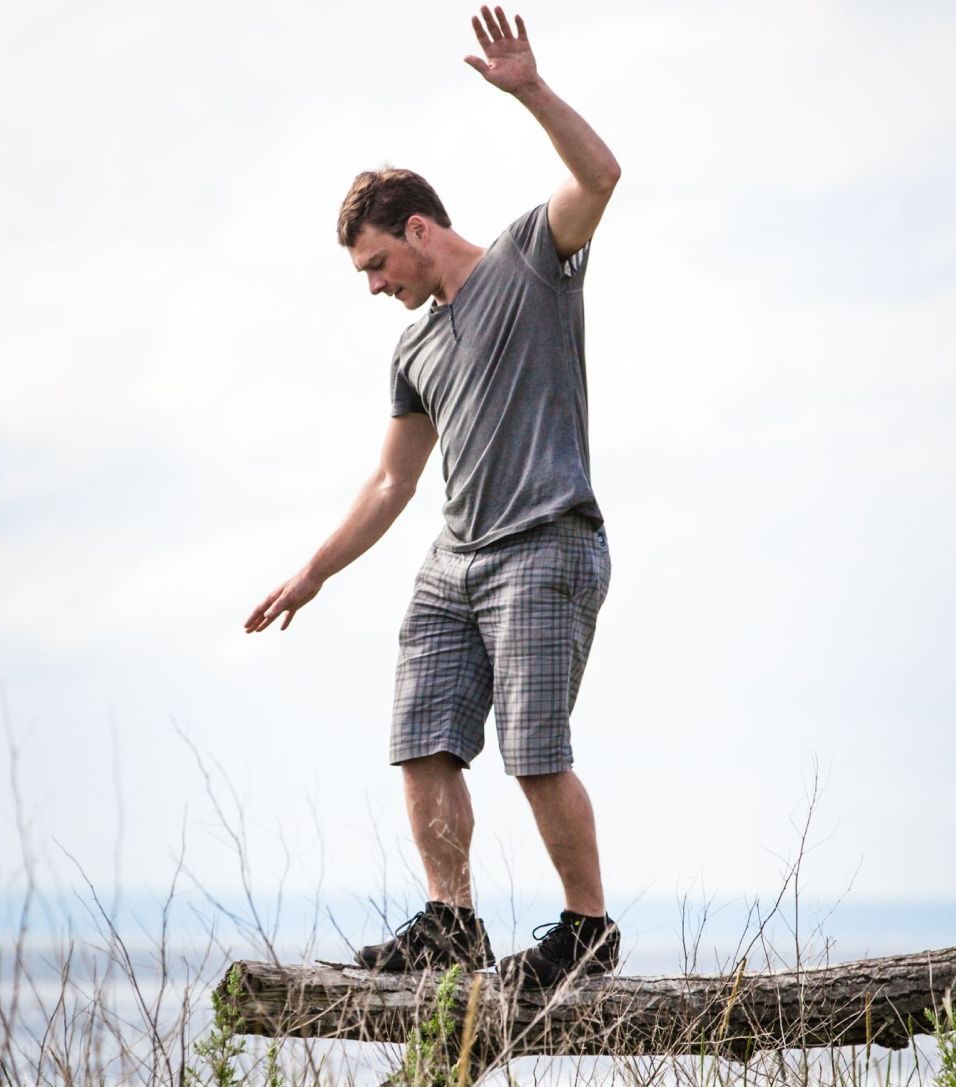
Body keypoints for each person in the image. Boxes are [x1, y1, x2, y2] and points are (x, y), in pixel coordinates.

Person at [241, 5, 623, 988]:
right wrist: (312, 572)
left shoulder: (529, 263)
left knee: (533, 751)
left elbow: (600, 177)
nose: (373, 285)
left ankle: (589, 929)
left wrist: (530, 90)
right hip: (456, 561)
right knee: (422, 738)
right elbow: (391, 480)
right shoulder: (412, 350)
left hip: (545, 543)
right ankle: (452, 923)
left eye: (376, 263)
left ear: (417, 230)